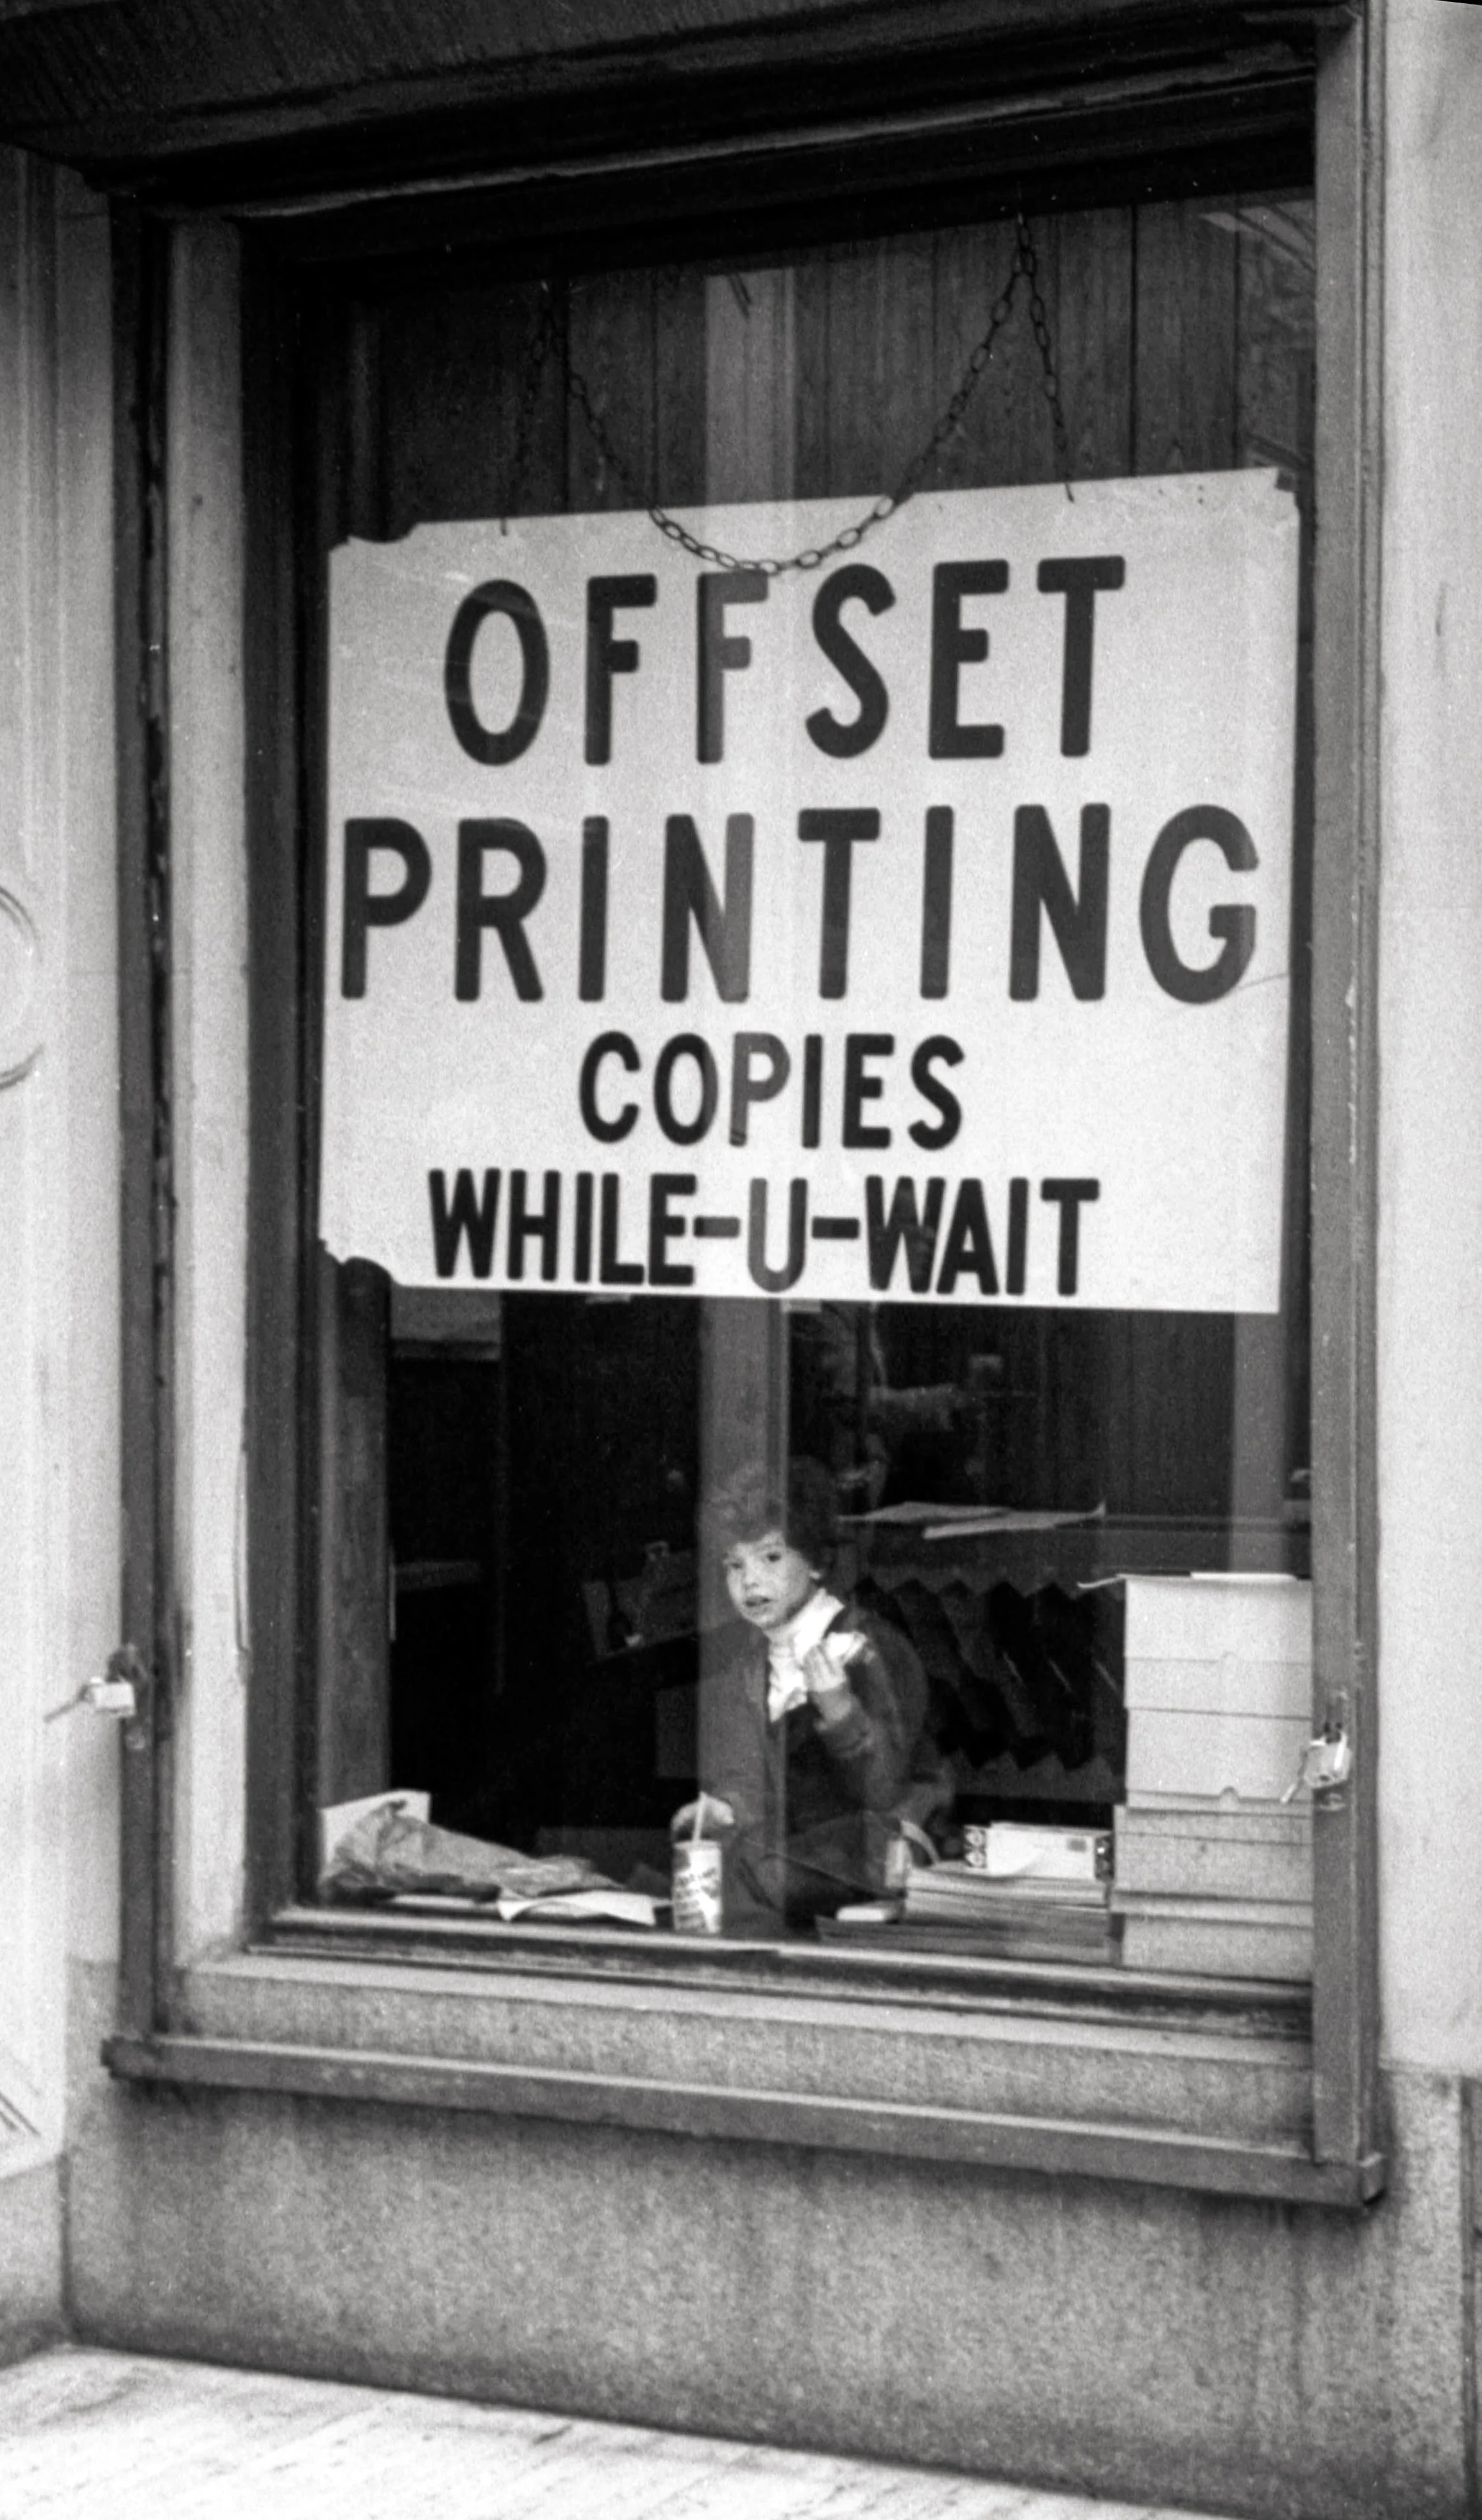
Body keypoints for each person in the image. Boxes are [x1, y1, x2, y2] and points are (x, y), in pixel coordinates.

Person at [671, 1457, 945, 1926]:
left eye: (770, 1557)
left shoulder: (871, 1648)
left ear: (817, 1562)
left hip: (877, 1857)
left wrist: (841, 1711)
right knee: (714, 1874)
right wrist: (726, 1807)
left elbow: (884, 1789)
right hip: (793, 1862)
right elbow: (754, 1775)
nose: (749, 1580)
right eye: (734, 1565)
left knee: (743, 1882)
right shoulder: (752, 1664)